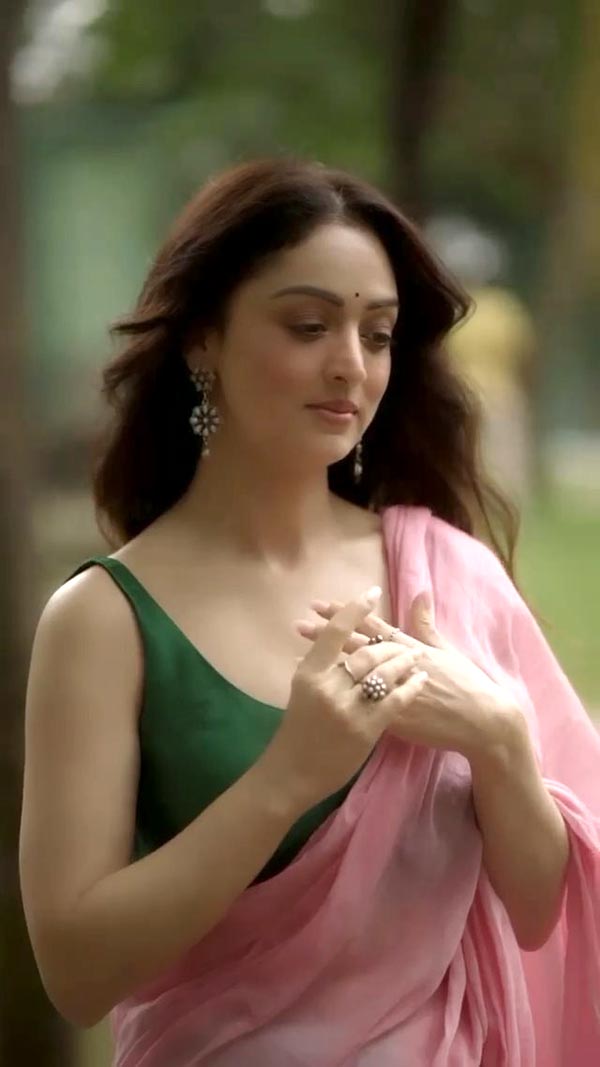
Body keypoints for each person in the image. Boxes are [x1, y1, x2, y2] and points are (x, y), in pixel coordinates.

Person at [19, 158, 600, 1066]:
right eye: (308, 325)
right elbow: (76, 971)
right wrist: (287, 776)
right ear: (202, 337)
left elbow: (540, 912)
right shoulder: (103, 620)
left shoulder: (447, 573)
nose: (350, 366)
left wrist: (497, 739)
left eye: (378, 334)